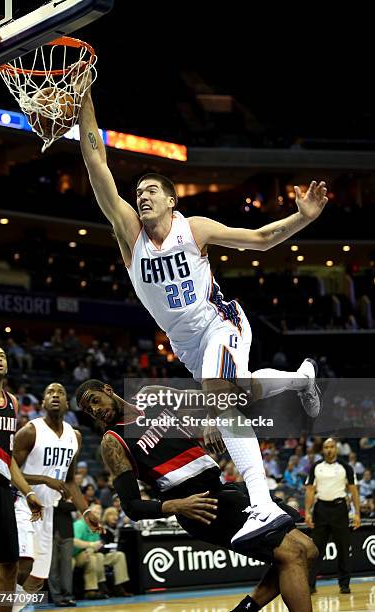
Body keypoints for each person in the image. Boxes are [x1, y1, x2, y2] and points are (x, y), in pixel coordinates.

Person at [77, 73, 327, 545]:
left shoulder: (194, 228)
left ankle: (262, 502)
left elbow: (260, 240)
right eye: (140, 192)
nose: (142, 195)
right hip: (186, 344)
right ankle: (300, 378)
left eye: (153, 190)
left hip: (220, 322)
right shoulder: (129, 234)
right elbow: (95, 161)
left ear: (171, 200)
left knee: (221, 398)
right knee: (242, 392)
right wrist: (84, 96)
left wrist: (302, 217)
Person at [75, 379, 318, 612]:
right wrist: (177, 506)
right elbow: (131, 507)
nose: (96, 410)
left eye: (95, 401)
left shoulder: (152, 395)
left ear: (108, 390)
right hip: (201, 505)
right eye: (89, 410)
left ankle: (245, 609)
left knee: (308, 550)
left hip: (223, 488)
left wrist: (213, 418)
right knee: (293, 554)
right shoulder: (113, 442)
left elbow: (211, 398)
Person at [12, 382, 101, 607]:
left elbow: (70, 481)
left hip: (48, 511)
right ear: (42, 402)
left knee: (38, 579)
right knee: (24, 564)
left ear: (66, 403)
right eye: (49, 392)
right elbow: (9, 470)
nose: (55, 395)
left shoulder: (75, 437)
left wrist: (86, 510)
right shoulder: (30, 431)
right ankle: (1, 606)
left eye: (60, 392)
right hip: (22, 504)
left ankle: (11, 607)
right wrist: (43, 479)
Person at [0, 346, 42, 612]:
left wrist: (28, 492)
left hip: (3, 492)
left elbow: (8, 457)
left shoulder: (13, 403)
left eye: (2, 355)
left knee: (9, 563)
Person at [305, 438, 361, 594]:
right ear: (322, 449)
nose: (329, 449)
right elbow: (309, 490)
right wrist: (308, 512)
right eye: (326, 447)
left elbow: (353, 490)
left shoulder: (346, 467)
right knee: (315, 550)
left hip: (340, 510)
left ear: (336, 449)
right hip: (321, 510)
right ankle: (310, 585)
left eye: (331, 447)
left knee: (343, 549)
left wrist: (357, 513)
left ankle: (344, 584)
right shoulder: (316, 467)